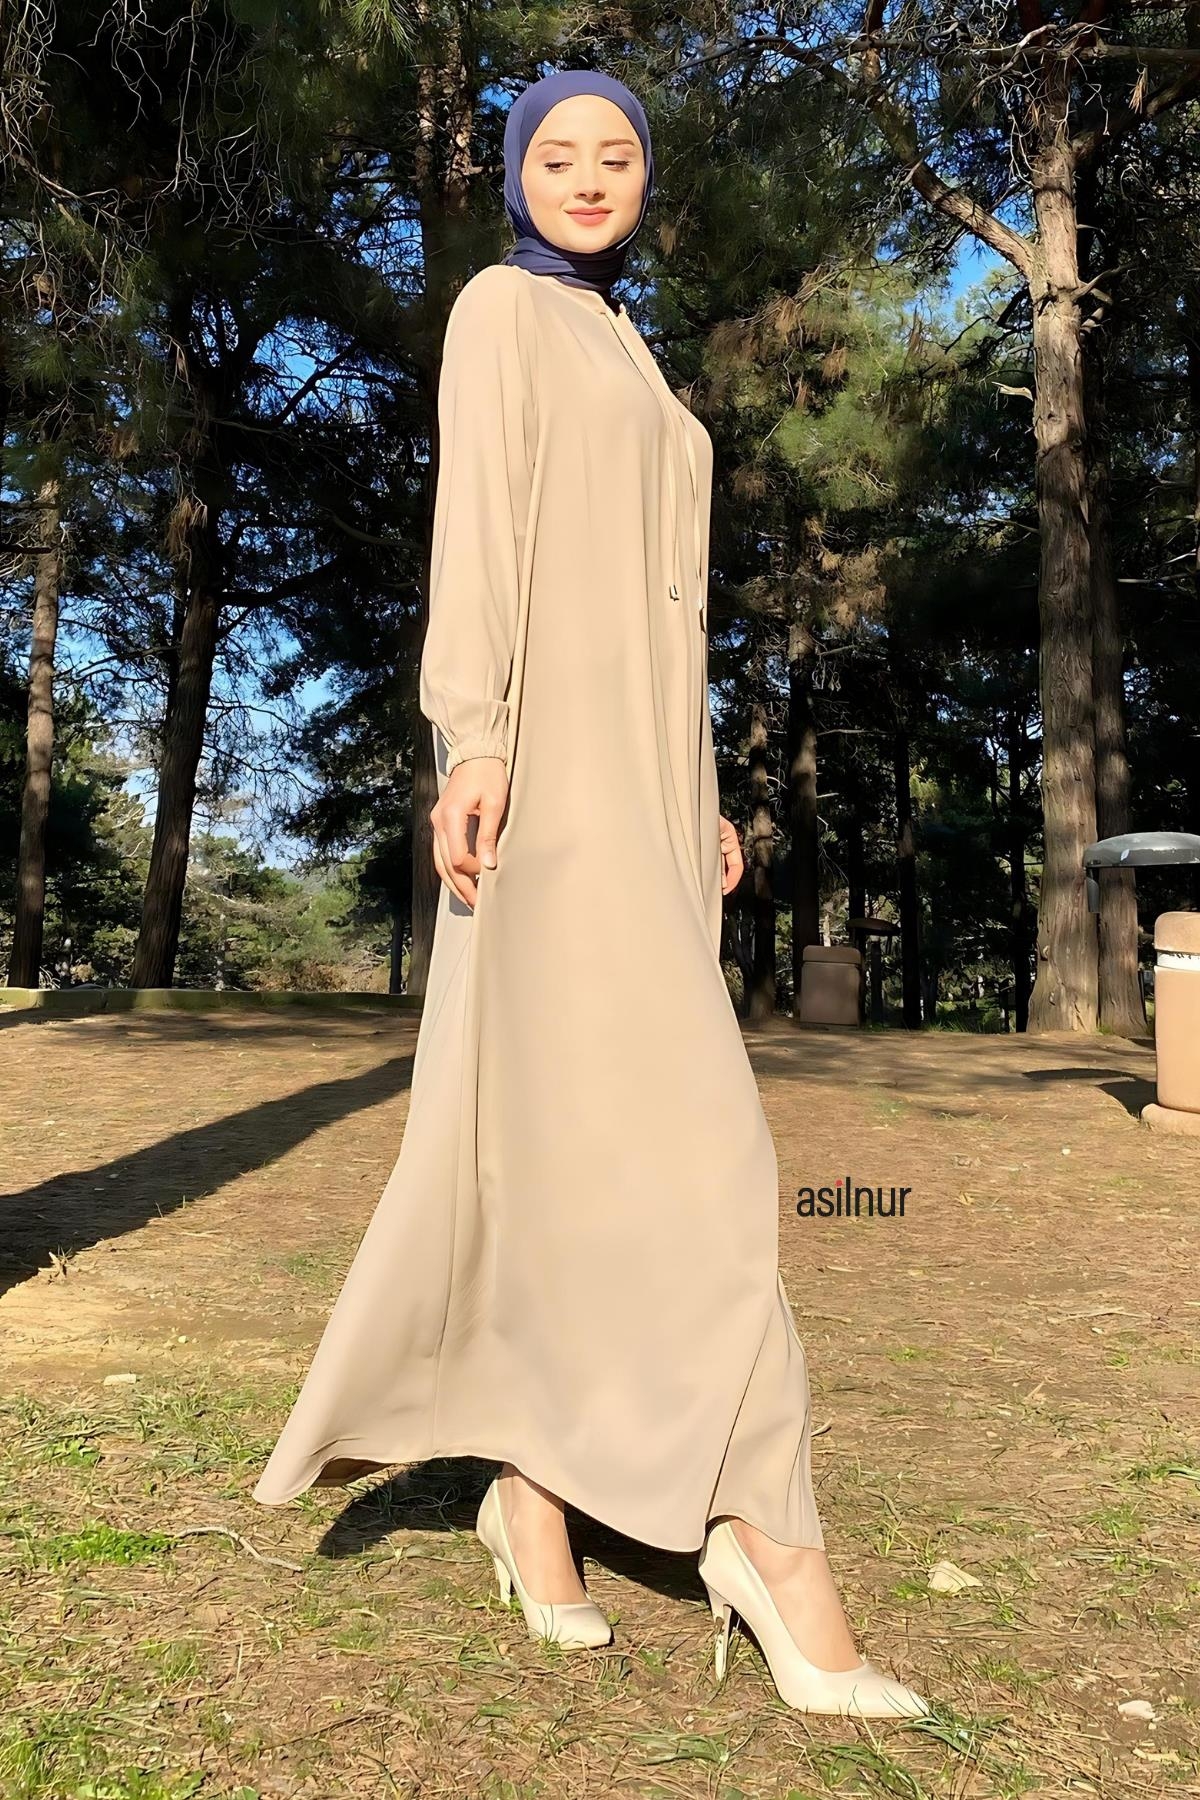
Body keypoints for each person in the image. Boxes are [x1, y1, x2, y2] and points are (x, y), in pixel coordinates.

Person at [252, 66, 930, 1722]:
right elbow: (478, 532)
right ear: (514, 177)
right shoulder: (503, 311)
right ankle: (772, 1542)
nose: (587, 175)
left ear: (645, 183)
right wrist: (475, 739)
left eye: (616, 154)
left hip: (646, 799)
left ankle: (534, 1495)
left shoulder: (627, 343)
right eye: (554, 153)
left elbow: (658, 615)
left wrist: (700, 797)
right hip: (547, 796)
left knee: (583, 1150)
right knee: (708, 1155)